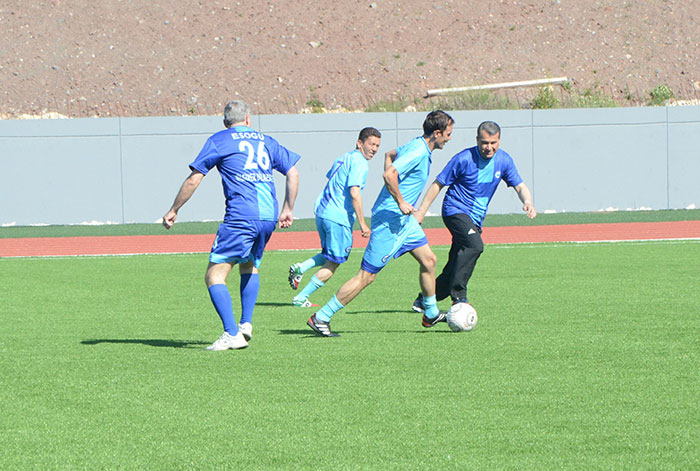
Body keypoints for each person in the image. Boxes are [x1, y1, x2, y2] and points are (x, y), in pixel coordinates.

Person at [162, 100, 300, 351]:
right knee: (248, 264)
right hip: (267, 217)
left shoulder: (220, 140)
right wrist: (287, 208)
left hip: (241, 216)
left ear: (225, 122)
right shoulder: (266, 141)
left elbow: (195, 178)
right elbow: (293, 172)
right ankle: (246, 324)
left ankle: (231, 333)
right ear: (248, 119)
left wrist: (174, 209)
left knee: (214, 275)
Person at [306, 110, 454, 337]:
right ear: (436, 133)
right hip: (390, 221)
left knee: (429, 260)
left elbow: (390, 155)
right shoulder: (418, 152)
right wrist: (400, 201)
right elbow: (390, 174)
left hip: (405, 222)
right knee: (367, 276)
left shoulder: (417, 146)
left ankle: (431, 312)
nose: (449, 138)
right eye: (447, 134)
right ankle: (321, 316)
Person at [412, 120, 536, 311]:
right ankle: (459, 296)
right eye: (484, 142)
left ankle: (425, 299)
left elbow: (519, 185)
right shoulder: (463, 158)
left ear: (499, 141)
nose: (489, 147)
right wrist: (421, 211)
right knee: (474, 245)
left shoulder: (503, 160)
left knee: (455, 263)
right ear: (477, 140)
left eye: (493, 143)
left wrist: (527, 201)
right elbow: (438, 184)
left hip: (475, 219)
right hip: (455, 210)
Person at [288, 127, 381, 307]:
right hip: (338, 217)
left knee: (329, 254)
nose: (375, 149)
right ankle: (300, 298)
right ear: (359, 143)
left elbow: (330, 176)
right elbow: (355, 193)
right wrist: (362, 223)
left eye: (377, 145)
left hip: (322, 213)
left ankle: (302, 267)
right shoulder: (361, 162)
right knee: (334, 263)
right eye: (371, 144)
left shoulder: (343, 157)